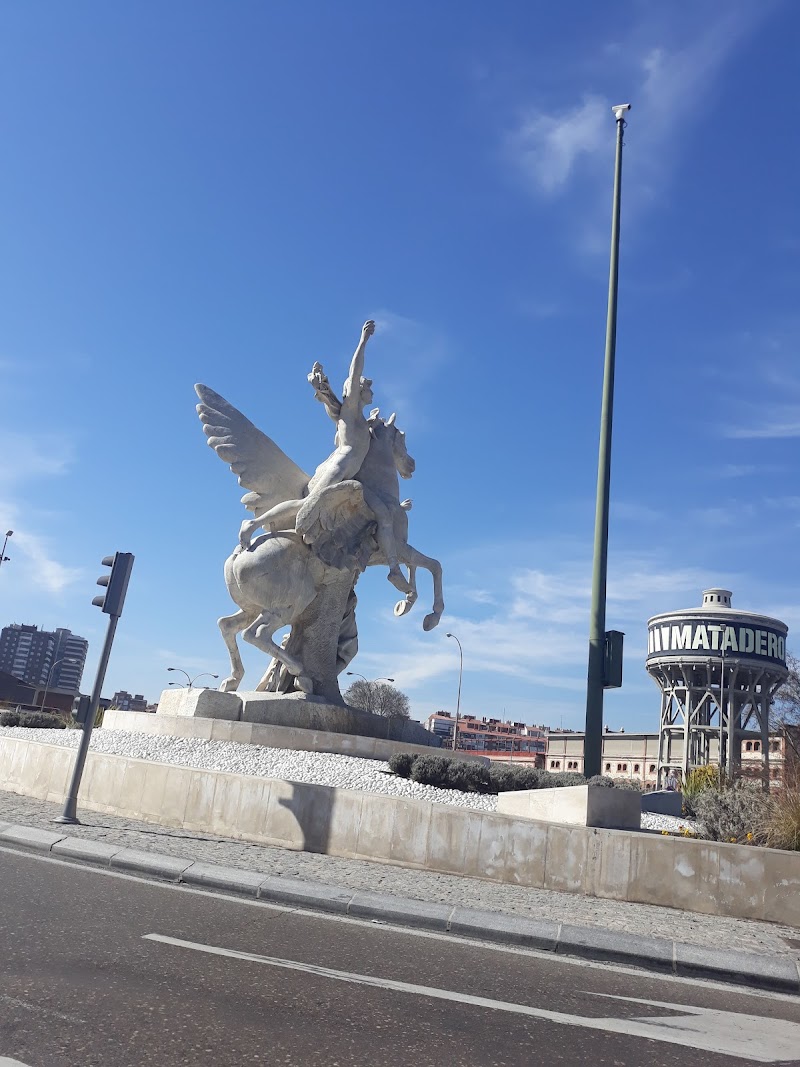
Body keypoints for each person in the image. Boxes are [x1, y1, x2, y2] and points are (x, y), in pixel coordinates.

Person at [238, 320, 376, 549]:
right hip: (340, 466)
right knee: (307, 505)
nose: (372, 391)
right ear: (358, 392)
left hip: (346, 470)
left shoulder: (360, 421)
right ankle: (252, 525)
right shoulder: (350, 413)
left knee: (315, 506)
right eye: (368, 387)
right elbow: (355, 372)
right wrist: (363, 341)